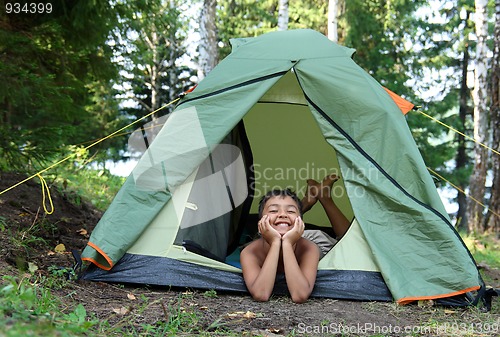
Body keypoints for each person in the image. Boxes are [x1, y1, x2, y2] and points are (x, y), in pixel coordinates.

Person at [240, 174, 350, 303]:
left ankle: (324, 198)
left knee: (347, 242)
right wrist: (276, 242)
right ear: (260, 223)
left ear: (301, 223)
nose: (282, 214)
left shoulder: (310, 248)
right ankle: (307, 201)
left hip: (307, 239)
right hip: (272, 236)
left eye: (291, 211)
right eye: (274, 210)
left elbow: (299, 295)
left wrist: (286, 243)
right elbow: (261, 294)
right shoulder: (250, 252)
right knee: (280, 223)